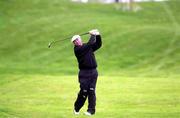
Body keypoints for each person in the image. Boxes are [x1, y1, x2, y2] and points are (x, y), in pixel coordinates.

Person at [71, 29, 102, 116]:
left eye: (77, 39)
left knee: (91, 91)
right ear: (74, 43)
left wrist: (98, 35)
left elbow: (98, 45)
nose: (77, 41)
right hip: (84, 73)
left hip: (93, 72)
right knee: (84, 91)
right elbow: (91, 43)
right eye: (74, 41)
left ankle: (91, 111)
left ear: (80, 39)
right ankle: (77, 108)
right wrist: (92, 34)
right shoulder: (78, 50)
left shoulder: (86, 46)